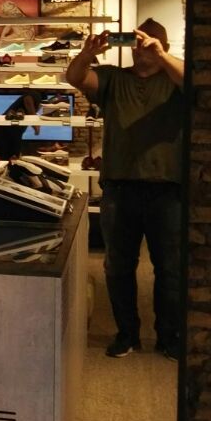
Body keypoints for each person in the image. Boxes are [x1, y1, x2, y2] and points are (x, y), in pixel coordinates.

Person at [65, 18, 186, 360]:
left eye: (149, 42)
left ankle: (168, 336)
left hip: (167, 189)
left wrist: (161, 55)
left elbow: (197, 84)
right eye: (136, 43)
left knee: (170, 269)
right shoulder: (113, 78)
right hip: (120, 188)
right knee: (118, 267)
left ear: (164, 45)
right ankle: (127, 334)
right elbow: (74, 78)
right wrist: (86, 54)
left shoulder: (173, 78)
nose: (141, 48)